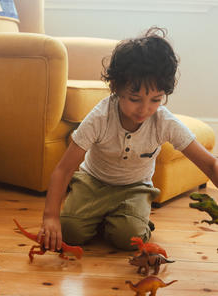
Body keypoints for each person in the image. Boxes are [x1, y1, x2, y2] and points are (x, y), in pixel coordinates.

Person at [38, 27, 218, 252]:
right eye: (135, 99)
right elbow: (63, 170)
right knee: (70, 232)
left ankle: (130, 220)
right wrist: (51, 217)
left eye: (155, 99)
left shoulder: (164, 121)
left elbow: (210, 164)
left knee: (128, 238)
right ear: (115, 87)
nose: (145, 109)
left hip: (135, 188)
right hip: (92, 182)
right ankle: (108, 219)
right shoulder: (100, 117)